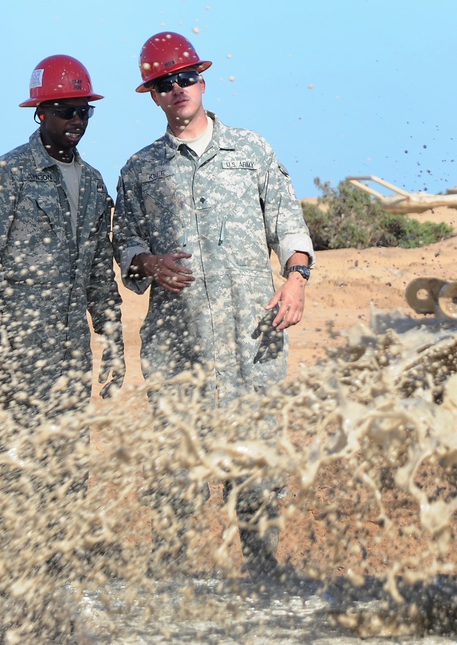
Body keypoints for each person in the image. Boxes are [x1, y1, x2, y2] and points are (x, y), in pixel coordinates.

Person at [112, 32, 315, 574]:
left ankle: (263, 567)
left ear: (202, 81)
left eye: (184, 78)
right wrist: (148, 262)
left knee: (257, 457)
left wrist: (295, 279)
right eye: (163, 84)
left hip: (254, 338)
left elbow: (289, 224)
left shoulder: (251, 152)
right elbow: (124, 243)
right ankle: (171, 571)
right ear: (152, 95)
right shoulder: (140, 169)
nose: (176, 89)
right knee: (178, 461)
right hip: (180, 348)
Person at [0, 55, 124, 493]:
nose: (76, 120)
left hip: (69, 362)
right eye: (64, 110)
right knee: (8, 486)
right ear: (40, 112)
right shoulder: (6, 175)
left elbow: (99, 275)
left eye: (83, 110)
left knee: (66, 485)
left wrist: (113, 341)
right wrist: (1, 331)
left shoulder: (93, 183)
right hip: (7, 361)